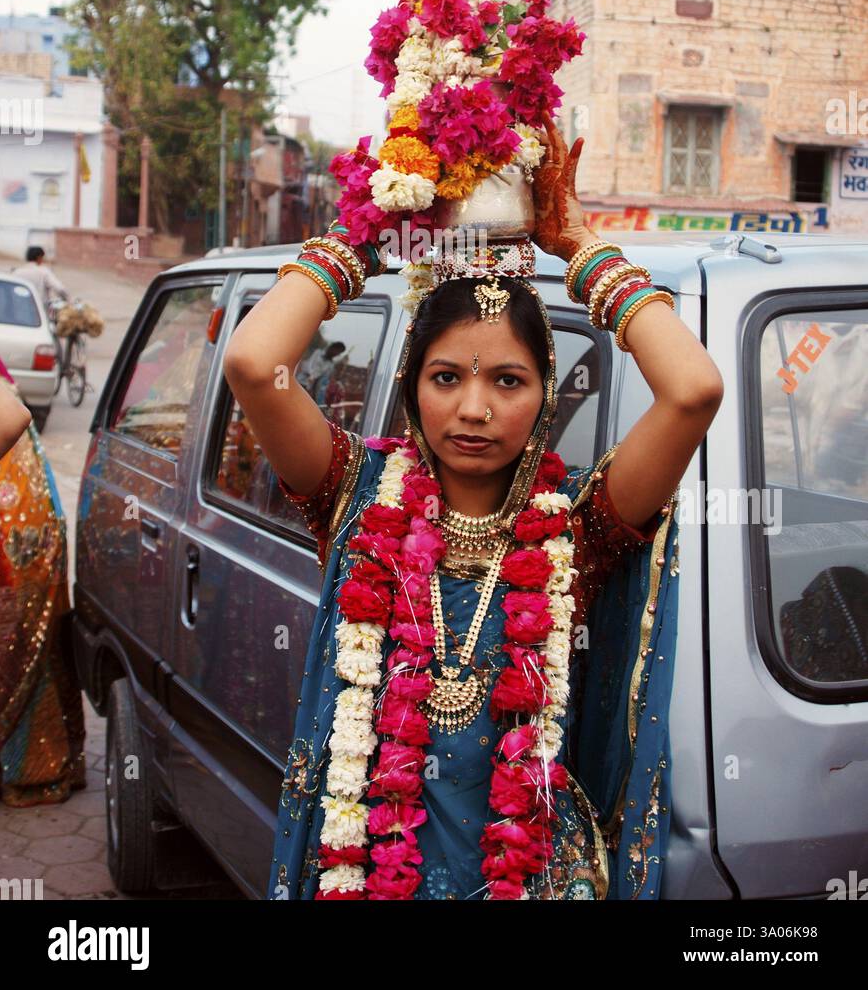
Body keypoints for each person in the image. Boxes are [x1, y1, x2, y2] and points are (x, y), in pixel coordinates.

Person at [224, 119, 724, 901]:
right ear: (411, 386)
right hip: (365, 875)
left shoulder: (577, 528)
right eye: (447, 377)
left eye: (508, 381)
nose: (475, 409)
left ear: (546, 395)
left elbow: (693, 391)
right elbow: (256, 365)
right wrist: (367, 230)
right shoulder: (357, 494)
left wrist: (582, 248)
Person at [0, 355, 87, 806]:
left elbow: (10, 416)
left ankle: (33, 765)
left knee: (20, 639)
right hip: (21, 512)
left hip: (15, 517)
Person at [11, 245, 69, 311]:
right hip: (39, 311)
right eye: (43, 257)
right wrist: (67, 300)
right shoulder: (44, 272)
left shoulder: (16, 272)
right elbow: (60, 288)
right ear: (39, 257)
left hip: (19, 310)